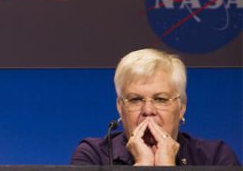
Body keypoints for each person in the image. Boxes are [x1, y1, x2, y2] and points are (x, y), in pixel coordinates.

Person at [70, 48, 240, 166]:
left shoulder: (215, 157)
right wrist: (143, 164)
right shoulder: (93, 156)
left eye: (160, 99)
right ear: (120, 108)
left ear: (182, 106)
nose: (148, 110)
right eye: (135, 99)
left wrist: (167, 166)